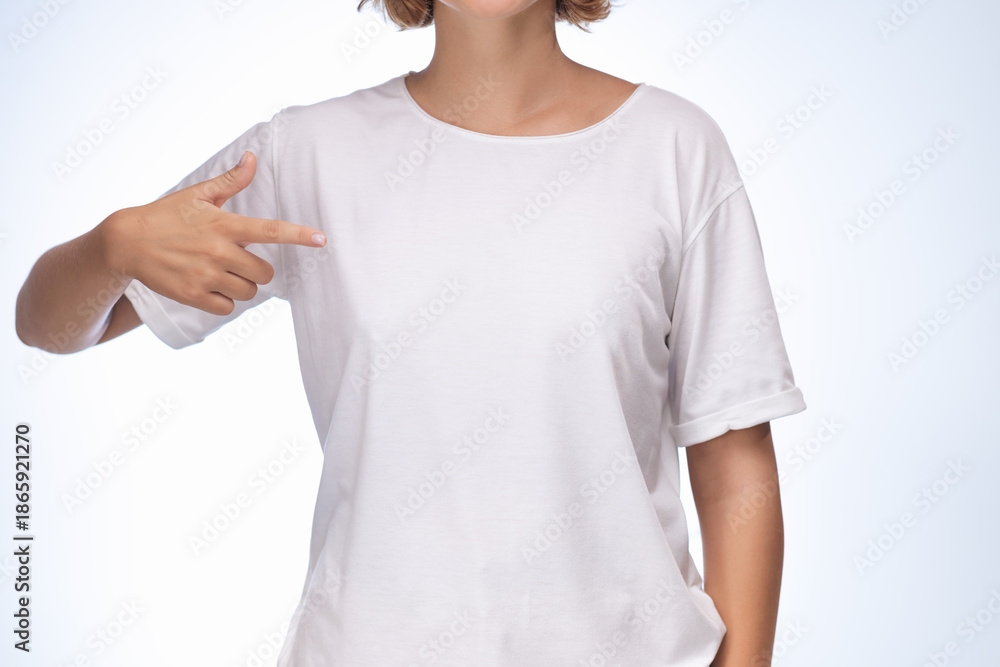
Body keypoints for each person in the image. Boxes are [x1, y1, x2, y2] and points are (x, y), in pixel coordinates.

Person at [15, 0, 807, 665]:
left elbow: (734, 461)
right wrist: (113, 245)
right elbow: (47, 324)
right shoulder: (309, 154)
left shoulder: (674, 149)